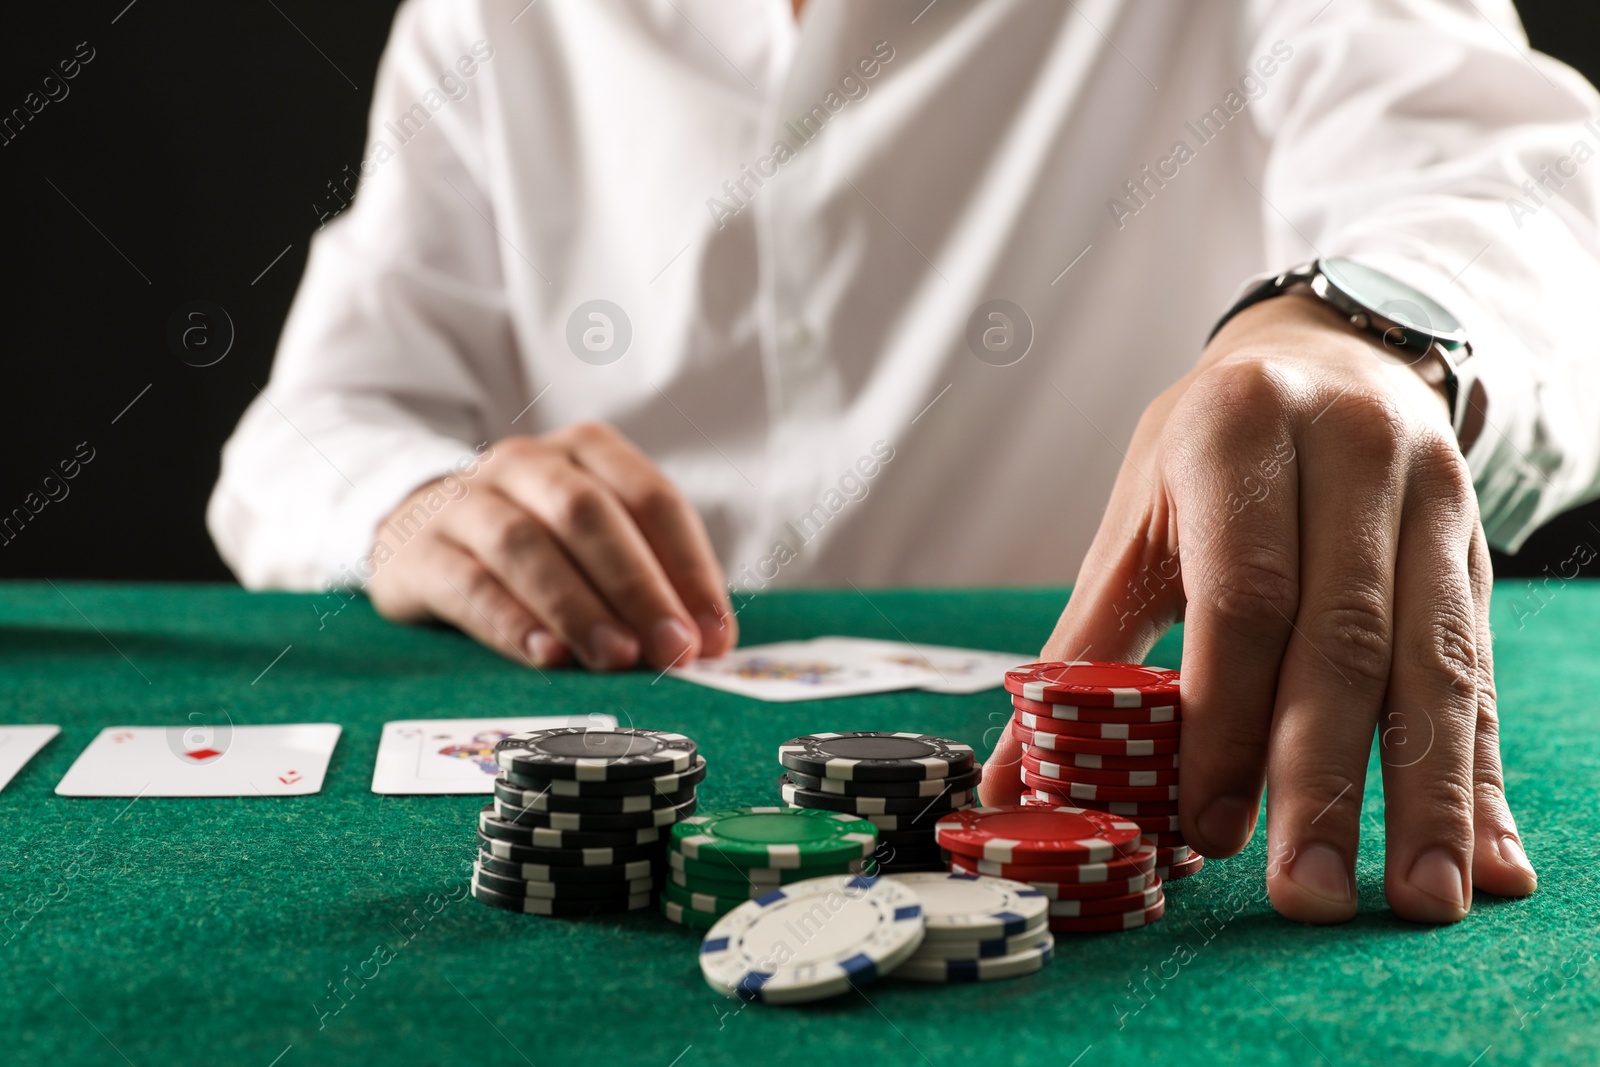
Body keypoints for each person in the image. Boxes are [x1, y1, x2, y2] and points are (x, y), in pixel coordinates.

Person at [210, 0, 1600, 926]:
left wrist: (1360, 338)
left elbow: (1534, 191)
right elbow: (310, 428)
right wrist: (410, 504)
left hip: (1080, 765)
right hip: (617, 698)